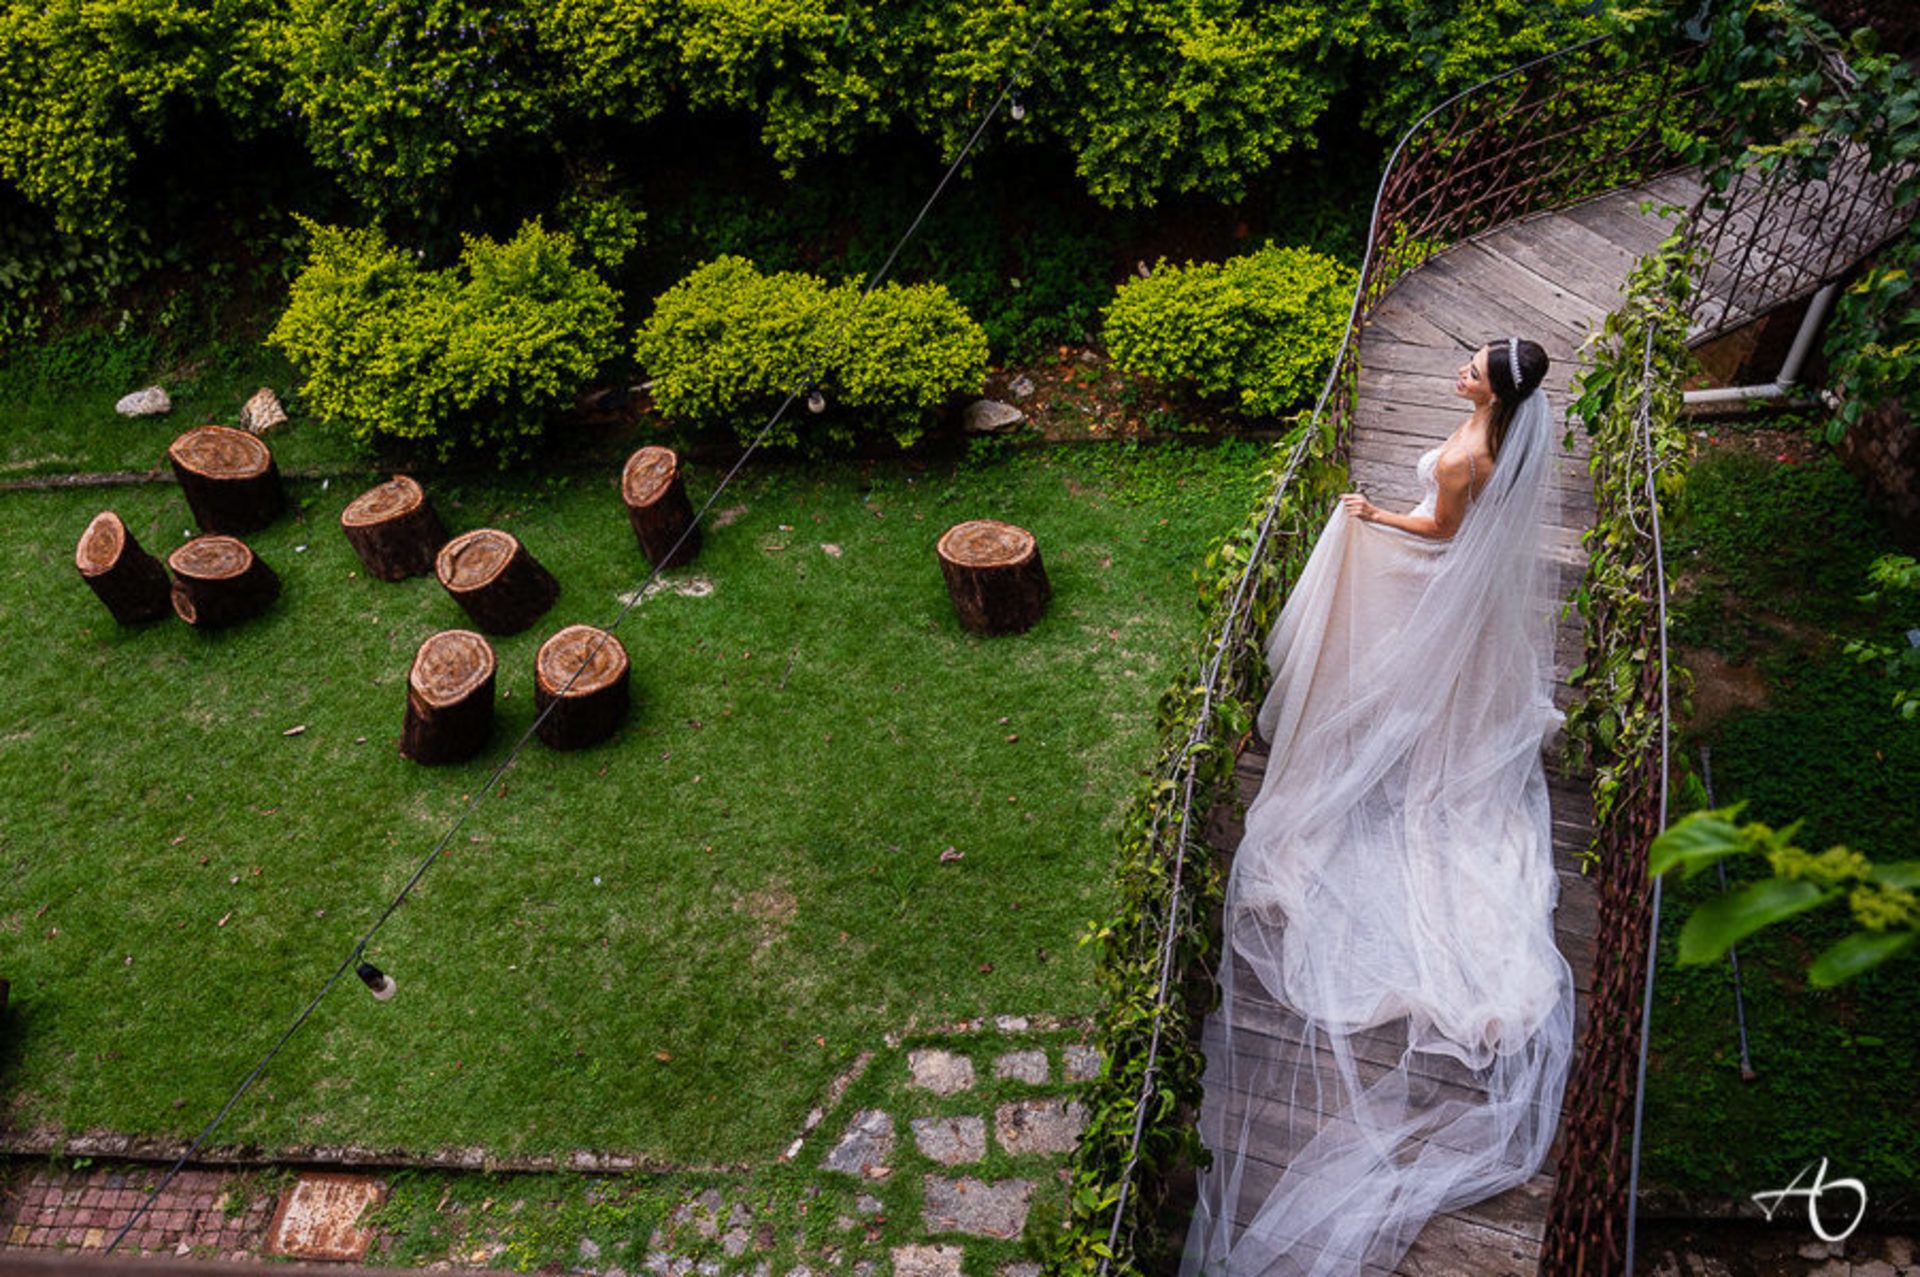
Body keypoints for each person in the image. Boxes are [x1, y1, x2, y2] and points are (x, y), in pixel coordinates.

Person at [1181, 337, 1575, 1276]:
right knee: (1433, 701)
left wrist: (1370, 515)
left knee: (1395, 698)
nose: (1461, 372)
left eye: (1473, 367)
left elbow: (1439, 530)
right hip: (1467, 596)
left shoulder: (1476, 452)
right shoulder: (1503, 433)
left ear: (1493, 390)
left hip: (1442, 574)